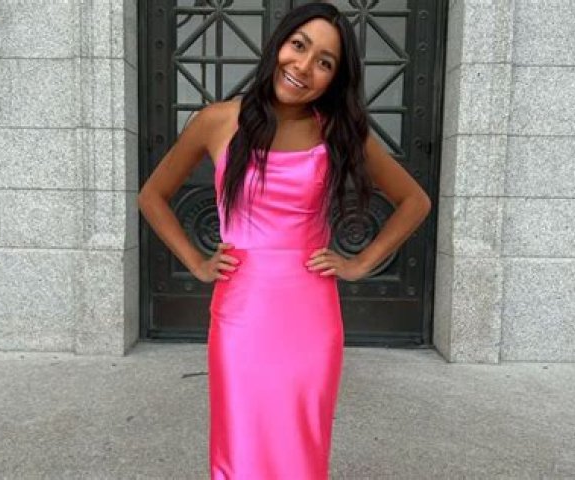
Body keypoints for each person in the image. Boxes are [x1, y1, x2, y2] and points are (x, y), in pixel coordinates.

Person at [137, 3, 431, 478]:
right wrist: (196, 262)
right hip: (241, 312)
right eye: (299, 46)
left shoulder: (338, 131)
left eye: (324, 62)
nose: (304, 66)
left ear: (335, 78)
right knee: (241, 443)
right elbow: (152, 195)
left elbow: (415, 200)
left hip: (310, 314)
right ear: (279, 44)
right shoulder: (218, 121)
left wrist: (360, 263)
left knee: (301, 446)